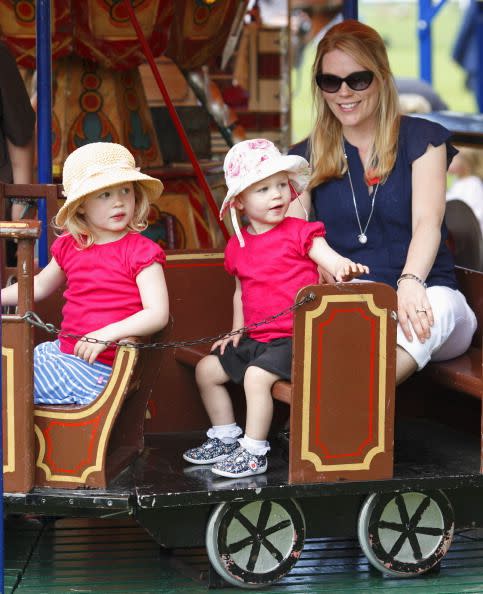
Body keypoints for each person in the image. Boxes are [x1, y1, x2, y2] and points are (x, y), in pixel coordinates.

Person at [288, 19, 477, 386]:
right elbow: (297, 230)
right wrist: (321, 257)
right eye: (330, 81)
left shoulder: (423, 139)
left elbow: (427, 220)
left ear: (381, 77)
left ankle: (354, 411)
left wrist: (409, 282)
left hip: (426, 292)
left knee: (433, 312)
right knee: (351, 329)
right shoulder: (304, 156)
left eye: (357, 79)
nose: (344, 92)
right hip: (351, 309)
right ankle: (347, 418)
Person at [183, 138, 368, 478]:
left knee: (255, 378)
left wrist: (343, 266)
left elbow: (325, 256)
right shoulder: (238, 247)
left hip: (296, 338)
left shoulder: (300, 232)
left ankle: (254, 451)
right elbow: (241, 292)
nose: (277, 195)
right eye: (263, 189)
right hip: (258, 338)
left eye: (282, 185)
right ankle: (226, 437)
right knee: (206, 371)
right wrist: (237, 330)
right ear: (239, 202)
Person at [1, 142, 169, 405]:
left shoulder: (141, 251)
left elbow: (157, 314)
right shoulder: (72, 244)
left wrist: (105, 334)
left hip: (98, 368)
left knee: (12, 383)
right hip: (63, 355)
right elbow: (40, 286)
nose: (118, 202)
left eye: (125, 190)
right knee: (9, 369)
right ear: (80, 205)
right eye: (104, 194)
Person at [447, 146, 483, 238]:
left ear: (465, 162)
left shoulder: (473, 183)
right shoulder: (457, 182)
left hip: (466, 238)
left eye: (453, 157)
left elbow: (473, 214)